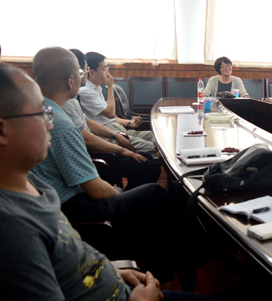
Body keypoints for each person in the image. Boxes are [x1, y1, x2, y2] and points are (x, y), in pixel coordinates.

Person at [0, 64, 261, 301]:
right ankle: (191, 252)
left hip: (121, 294)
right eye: (41, 114)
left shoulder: (35, 185)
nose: (51, 123)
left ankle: (192, 251)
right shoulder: (11, 227)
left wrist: (112, 270)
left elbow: (63, 260)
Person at [30, 47, 175, 244]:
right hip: (71, 207)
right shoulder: (62, 125)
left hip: (50, 202)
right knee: (154, 194)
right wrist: (122, 194)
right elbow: (96, 189)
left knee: (143, 187)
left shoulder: (38, 110)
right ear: (71, 80)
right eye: (81, 72)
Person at [63, 49, 161, 190]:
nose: (107, 72)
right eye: (84, 71)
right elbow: (91, 135)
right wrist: (121, 149)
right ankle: (128, 197)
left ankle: (130, 195)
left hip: (107, 137)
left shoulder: (72, 99)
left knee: (147, 157)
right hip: (99, 153)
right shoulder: (73, 98)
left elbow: (88, 122)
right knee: (151, 166)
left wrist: (117, 133)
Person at [78, 51, 157, 157]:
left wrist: (129, 122)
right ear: (91, 73)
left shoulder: (96, 88)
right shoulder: (85, 91)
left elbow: (108, 118)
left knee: (154, 136)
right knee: (153, 148)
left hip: (117, 127)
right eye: (104, 69)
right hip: (108, 131)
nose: (107, 72)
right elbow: (110, 114)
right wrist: (110, 88)